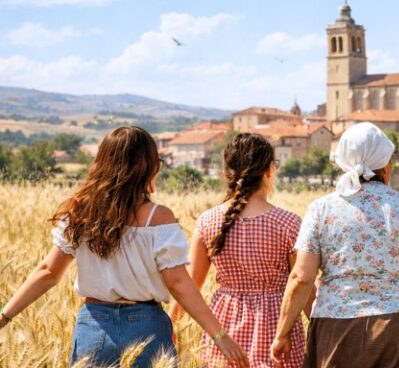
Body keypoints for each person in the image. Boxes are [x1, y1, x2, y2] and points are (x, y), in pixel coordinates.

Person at [0, 126, 248, 367]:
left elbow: (48, 272)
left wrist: (4, 316)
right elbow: (178, 282)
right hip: (147, 327)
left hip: (93, 327)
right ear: (147, 167)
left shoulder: (80, 213)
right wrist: (219, 335)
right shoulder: (158, 218)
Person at [270, 122, 399, 368]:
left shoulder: (320, 210)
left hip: (336, 327)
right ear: (386, 165)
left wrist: (282, 333)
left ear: (343, 162)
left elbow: (301, 278)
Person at [170, 133, 310, 367]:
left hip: (224, 325)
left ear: (227, 172)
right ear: (269, 170)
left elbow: (191, 284)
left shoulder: (207, 221)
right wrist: (322, 326)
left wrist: (171, 323)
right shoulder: (289, 223)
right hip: (277, 324)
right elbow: (301, 284)